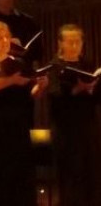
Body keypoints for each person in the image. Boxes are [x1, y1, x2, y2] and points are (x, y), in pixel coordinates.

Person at [0, 20, 47, 206]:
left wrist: (40, 86)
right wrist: (12, 80)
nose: (4, 41)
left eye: (6, 36)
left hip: (18, 123)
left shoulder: (19, 62)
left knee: (20, 169)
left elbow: (31, 94)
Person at [46, 24, 100, 206]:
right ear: (60, 43)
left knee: (90, 171)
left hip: (88, 124)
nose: (75, 46)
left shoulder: (88, 64)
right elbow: (54, 95)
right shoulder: (54, 66)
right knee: (70, 173)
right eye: (70, 42)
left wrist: (92, 89)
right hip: (65, 128)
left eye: (78, 41)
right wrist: (77, 89)